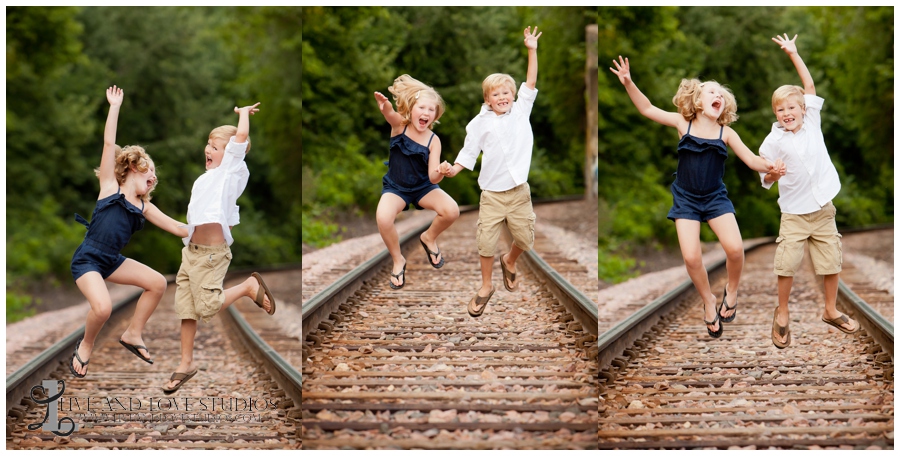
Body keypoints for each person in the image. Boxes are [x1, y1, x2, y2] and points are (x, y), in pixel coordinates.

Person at [609, 56, 775, 338]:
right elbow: (647, 108)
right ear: (698, 101)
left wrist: (772, 166)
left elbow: (752, 160)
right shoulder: (681, 124)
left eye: (721, 95)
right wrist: (628, 82)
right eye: (712, 92)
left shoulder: (726, 133)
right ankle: (709, 301)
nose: (718, 96)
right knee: (691, 258)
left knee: (735, 250)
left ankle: (731, 291)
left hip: (715, 198)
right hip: (686, 198)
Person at [70, 86, 189, 377]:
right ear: (134, 167)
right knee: (102, 309)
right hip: (87, 260)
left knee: (158, 283)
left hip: (112, 260)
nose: (154, 176)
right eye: (149, 170)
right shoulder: (110, 187)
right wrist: (114, 107)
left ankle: (133, 334)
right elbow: (110, 145)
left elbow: (177, 227)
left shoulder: (144, 206)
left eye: (155, 176)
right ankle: (86, 344)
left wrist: (215, 229)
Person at [162, 103, 276, 394]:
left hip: (211, 255)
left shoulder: (231, 171)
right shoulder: (206, 180)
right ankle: (185, 362)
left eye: (214, 146)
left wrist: (242, 116)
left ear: (231, 154)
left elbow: (240, 142)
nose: (207, 149)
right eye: (207, 145)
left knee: (208, 306)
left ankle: (249, 286)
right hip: (192, 253)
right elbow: (215, 218)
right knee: (187, 310)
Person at [759, 33, 858, 349]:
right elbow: (766, 175)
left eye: (791, 107)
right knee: (786, 263)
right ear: (775, 114)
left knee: (831, 262)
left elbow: (810, 86)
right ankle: (783, 312)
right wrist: (773, 174)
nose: (786, 113)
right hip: (793, 213)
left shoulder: (812, 121)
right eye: (780, 110)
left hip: (823, 206)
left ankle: (830, 310)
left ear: (803, 109)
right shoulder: (773, 141)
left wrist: (793, 54)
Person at [440, 26, 542, 317]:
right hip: (493, 194)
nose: (503, 97)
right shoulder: (479, 123)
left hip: (519, 191)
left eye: (506, 92)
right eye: (496, 94)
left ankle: (509, 261)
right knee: (485, 242)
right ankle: (486, 286)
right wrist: (454, 169)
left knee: (525, 240)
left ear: (513, 95)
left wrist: (531, 49)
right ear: (487, 99)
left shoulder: (522, 111)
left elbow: (531, 81)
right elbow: (469, 151)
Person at [374, 75, 460, 290]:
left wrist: (441, 171)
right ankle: (398, 259)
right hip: (396, 187)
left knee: (452, 211)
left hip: (423, 187)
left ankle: (429, 237)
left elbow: (433, 177)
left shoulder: (434, 140)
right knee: (383, 218)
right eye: (422, 107)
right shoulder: (399, 127)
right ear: (411, 109)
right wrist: (384, 106)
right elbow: (390, 115)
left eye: (431, 110)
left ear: (435, 115)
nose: (426, 113)